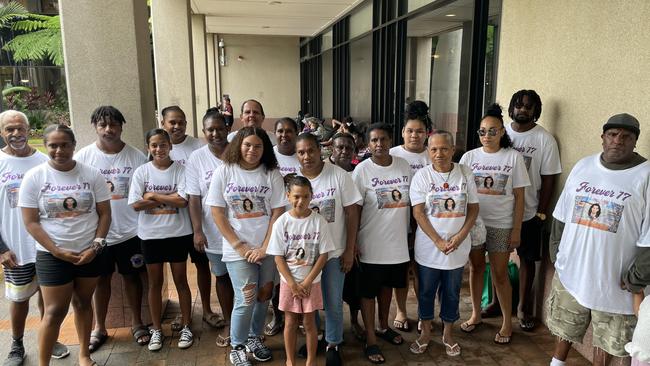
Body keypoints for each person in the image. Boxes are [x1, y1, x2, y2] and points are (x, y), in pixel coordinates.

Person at [547, 113, 649, 366]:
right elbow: (561, 215)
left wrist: (638, 276)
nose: (618, 141)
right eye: (612, 135)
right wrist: (557, 253)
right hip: (572, 273)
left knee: (615, 343)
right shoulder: (583, 166)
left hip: (617, 281)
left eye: (626, 136)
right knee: (565, 328)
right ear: (602, 138)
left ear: (635, 141)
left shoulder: (646, 175)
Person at [19, 124, 111, 366]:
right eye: (53, 145)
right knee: (54, 312)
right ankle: (43, 363)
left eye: (64, 145)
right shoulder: (35, 176)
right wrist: (56, 250)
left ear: (73, 145)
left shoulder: (91, 174)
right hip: (52, 255)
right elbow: (31, 222)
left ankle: (84, 355)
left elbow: (105, 214)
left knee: (83, 303)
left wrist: (96, 246)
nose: (59, 150)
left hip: (89, 252)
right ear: (46, 146)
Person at [207, 127, 286, 366]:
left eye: (258, 146)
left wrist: (265, 247)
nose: (252, 150)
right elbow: (217, 213)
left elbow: (278, 212)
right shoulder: (224, 171)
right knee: (246, 297)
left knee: (264, 295)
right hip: (237, 250)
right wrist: (240, 246)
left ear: (265, 149)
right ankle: (237, 345)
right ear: (238, 146)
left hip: (267, 248)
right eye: (247, 145)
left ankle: (254, 337)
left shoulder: (271, 173)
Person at [74, 106, 150, 352]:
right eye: (102, 125)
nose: (108, 129)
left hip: (132, 231)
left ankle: (138, 322)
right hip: (98, 234)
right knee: (101, 280)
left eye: (113, 125)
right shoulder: (84, 157)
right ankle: (99, 327)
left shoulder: (136, 156)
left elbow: (146, 190)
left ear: (121, 126)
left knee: (132, 277)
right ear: (95, 127)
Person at [0, 111, 69, 365]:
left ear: (29, 130)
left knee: (48, 297)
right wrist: (1, 249)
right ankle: (16, 345)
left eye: (20, 128)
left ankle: (49, 338)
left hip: (47, 245)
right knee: (19, 299)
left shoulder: (43, 160)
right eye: (9, 129)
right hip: (15, 248)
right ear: (1, 132)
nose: (16, 134)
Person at [459, 104, 530, 345]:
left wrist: (517, 230)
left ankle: (507, 322)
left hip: (501, 225)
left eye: (492, 131)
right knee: (476, 268)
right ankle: (476, 314)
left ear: (502, 132)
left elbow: (520, 197)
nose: (487, 136)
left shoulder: (513, 157)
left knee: (500, 274)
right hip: (475, 224)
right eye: (482, 131)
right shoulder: (469, 157)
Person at [408, 130, 479, 357]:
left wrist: (459, 237)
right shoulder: (422, 176)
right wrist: (438, 240)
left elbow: (473, 208)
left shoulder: (465, 172)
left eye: (444, 149)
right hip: (429, 248)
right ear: (428, 151)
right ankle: (426, 332)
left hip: (457, 248)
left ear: (453, 149)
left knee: (451, 292)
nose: (439, 154)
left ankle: (448, 333)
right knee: (427, 291)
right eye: (434, 149)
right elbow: (419, 213)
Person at [294, 132, 361, 365]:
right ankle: (317, 337)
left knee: (333, 300)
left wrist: (349, 249)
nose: (307, 156)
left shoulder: (339, 176)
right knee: (309, 303)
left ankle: (333, 342)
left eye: (311, 150)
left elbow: (352, 212)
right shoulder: (294, 181)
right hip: (304, 257)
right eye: (301, 152)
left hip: (333, 253)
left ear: (321, 150)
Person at [128, 129, 194, 352]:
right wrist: (170, 198)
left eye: (163, 145)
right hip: (151, 236)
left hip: (177, 234)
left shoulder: (181, 170)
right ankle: (156, 329)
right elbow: (136, 204)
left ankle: (187, 325)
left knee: (181, 281)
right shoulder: (141, 172)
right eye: (154, 145)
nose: (159, 149)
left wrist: (153, 196)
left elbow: (183, 201)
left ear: (170, 146)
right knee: (154, 283)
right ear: (148, 147)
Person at [500, 89, 561, 331]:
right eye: (519, 104)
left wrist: (541, 213)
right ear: (512, 107)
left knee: (527, 260)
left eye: (529, 106)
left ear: (536, 110)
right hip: (499, 209)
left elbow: (549, 179)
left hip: (529, 212)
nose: (523, 109)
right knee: (497, 258)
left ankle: (523, 308)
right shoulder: (500, 131)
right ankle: (497, 302)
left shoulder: (545, 139)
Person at [352, 123, 412, 364]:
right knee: (368, 292)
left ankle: (383, 326)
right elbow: (354, 210)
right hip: (371, 243)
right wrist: (353, 241)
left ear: (391, 141)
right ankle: (370, 338)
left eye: (383, 139)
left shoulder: (404, 166)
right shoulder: (362, 171)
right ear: (368, 144)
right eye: (374, 140)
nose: (379, 144)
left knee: (387, 287)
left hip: (397, 244)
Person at [267, 176, 335, 366]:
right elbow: (278, 257)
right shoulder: (281, 222)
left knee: (310, 323)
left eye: (305, 197)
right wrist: (292, 284)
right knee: (289, 322)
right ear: (288, 196)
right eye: (296, 196)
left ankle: (311, 360)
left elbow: (323, 255)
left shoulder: (318, 221)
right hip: (289, 283)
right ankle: (290, 361)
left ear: (311, 196)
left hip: (311, 282)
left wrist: (306, 282)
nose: (301, 201)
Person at [185, 108, 234, 347]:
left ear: (228, 129)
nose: (215, 133)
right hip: (213, 233)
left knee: (244, 279)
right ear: (203, 132)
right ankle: (229, 322)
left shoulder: (238, 151)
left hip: (243, 231)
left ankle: (247, 325)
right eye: (210, 130)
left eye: (219, 128)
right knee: (223, 278)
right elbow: (194, 197)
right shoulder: (197, 158)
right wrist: (197, 230)